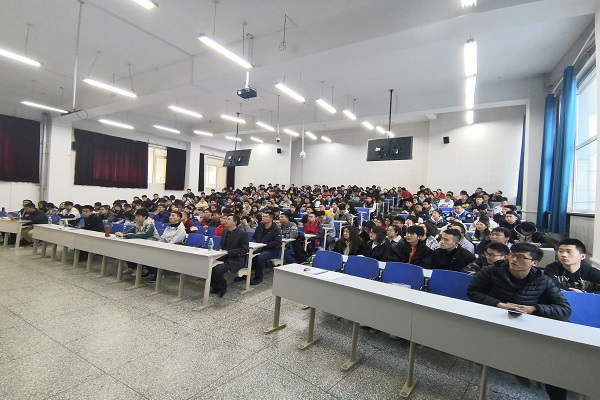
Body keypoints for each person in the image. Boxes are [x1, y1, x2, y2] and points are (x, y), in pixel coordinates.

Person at [467, 243, 571, 400]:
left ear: (534, 263)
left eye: (521, 257)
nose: (514, 259)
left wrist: (534, 309)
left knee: (556, 359)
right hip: (495, 321)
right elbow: (473, 291)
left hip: (527, 327)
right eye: (512, 255)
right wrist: (499, 304)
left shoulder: (543, 281)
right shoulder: (491, 271)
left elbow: (564, 308)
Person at [209, 214, 249, 297]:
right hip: (223, 256)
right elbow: (221, 244)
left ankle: (222, 285)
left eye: (228, 219)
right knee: (209, 266)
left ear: (235, 222)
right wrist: (220, 249)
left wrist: (228, 252)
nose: (226, 221)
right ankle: (215, 286)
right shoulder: (225, 231)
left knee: (217, 270)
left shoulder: (242, 234)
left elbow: (244, 249)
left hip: (235, 259)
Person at [147, 211, 186, 281]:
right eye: (170, 215)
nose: (170, 217)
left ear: (178, 218)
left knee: (154, 254)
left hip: (172, 249)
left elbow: (173, 242)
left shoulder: (181, 230)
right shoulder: (169, 227)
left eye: (173, 216)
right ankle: (151, 271)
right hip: (164, 246)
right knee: (147, 251)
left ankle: (159, 273)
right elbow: (162, 237)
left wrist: (161, 247)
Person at [251, 211, 282, 285]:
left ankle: (259, 277)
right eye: (263, 216)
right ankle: (246, 273)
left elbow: (278, 242)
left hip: (271, 250)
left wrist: (265, 244)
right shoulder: (259, 227)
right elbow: (254, 237)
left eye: (265, 216)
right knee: (247, 254)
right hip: (258, 248)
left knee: (261, 257)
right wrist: (255, 243)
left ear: (271, 219)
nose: (263, 218)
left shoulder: (276, 229)